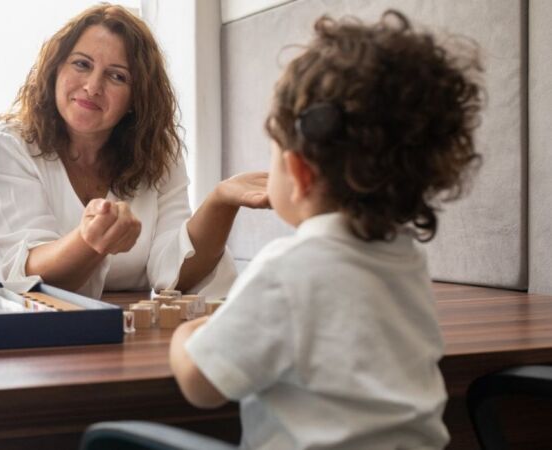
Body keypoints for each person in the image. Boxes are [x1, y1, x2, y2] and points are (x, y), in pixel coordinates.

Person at [170, 10, 483, 450]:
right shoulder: (406, 261)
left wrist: (186, 335)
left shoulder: (287, 268)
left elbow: (201, 385)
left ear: (299, 173)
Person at [0, 4, 268, 299]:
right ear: (55, 69)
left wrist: (220, 202)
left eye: (117, 76)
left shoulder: (159, 155)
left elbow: (175, 273)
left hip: (126, 326)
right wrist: (89, 241)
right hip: (26, 323)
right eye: (82, 64)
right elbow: (28, 271)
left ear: (136, 98)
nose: (92, 87)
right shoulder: (6, 147)